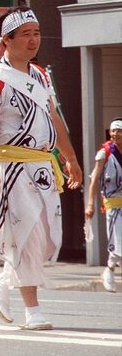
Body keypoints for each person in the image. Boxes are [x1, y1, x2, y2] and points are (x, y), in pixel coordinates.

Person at [0, 6, 82, 331]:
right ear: (5, 40)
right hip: (11, 165)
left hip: (43, 167)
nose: (33, 39)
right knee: (28, 236)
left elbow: (53, 118)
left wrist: (71, 159)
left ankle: (2, 281)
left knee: (48, 237)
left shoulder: (40, 74)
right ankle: (32, 310)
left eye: (36, 32)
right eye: (25, 34)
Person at [85, 118, 122, 293]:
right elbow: (94, 180)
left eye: (119, 131)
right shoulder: (104, 154)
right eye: (113, 131)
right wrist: (90, 204)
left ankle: (110, 269)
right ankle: (109, 270)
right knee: (118, 242)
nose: (116, 134)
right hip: (113, 205)